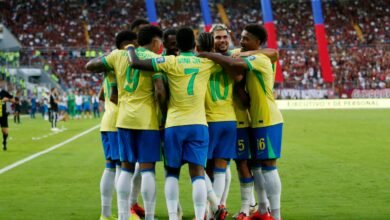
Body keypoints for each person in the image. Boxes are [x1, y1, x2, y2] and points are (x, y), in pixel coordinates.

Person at [128, 27, 233, 220]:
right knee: (198, 173)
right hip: (199, 125)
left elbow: (136, 63)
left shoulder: (170, 61)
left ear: (177, 45)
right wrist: (208, 53)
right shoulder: (205, 63)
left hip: (174, 124)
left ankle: (173, 217)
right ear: (194, 44)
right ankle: (202, 216)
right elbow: (233, 62)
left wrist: (131, 48)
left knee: (172, 172)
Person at [198, 24, 282, 220]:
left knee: (258, 164)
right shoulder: (235, 54)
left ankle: (264, 211)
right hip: (242, 119)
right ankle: (253, 209)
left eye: (225, 37)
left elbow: (274, 53)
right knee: (244, 165)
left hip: (254, 119)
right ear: (211, 40)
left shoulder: (247, 56)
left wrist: (207, 55)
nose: (222, 41)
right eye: (217, 38)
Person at [87, 26, 165, 220]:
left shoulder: (116, 56)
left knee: (125, 168)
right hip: (146, 120)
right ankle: (149, 216)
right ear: (154, 42)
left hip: (122, 120)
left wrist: (113, 54)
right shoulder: (151, 57)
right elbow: (160, 91)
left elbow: (92, 67)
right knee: (147, 170)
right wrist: (162, 115)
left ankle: (122, 215)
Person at [0, 80, 14, 151]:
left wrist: (8, 99)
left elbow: (13, 100)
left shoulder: (4, 92)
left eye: (2, 83)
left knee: (5, 131)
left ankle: (4, 141)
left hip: (3, 114)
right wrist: (2, 100)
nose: (2, 84)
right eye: (1, 82)